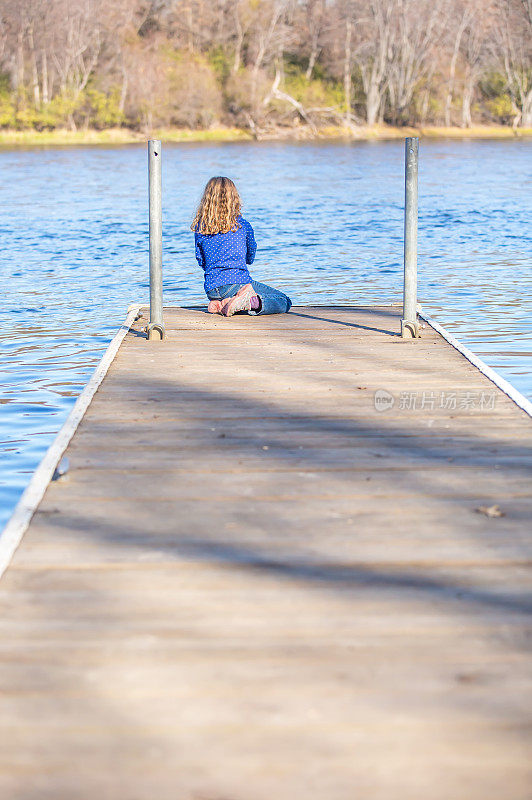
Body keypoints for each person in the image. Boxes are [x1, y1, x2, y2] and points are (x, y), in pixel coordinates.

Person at [191, 176, 292, 317]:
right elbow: (250, 257)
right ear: (234, 198)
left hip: (212, 289)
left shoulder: (200, 227)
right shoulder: (242, 225)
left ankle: (223, 302)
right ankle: (250, 303)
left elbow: (201, 260)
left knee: (234, 296)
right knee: (284, 301)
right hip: (237, 282)